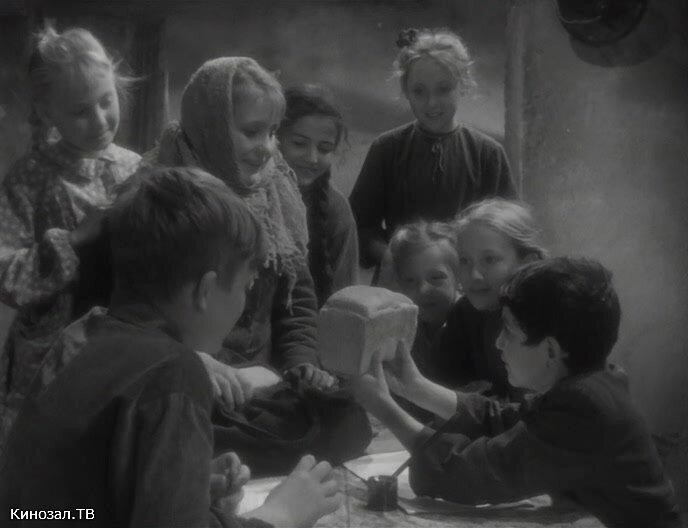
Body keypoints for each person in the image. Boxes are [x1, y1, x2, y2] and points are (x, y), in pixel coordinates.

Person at [0, 166, 341, 528]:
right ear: (205, 291)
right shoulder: (174, 373)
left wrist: (184, 485)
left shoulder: (82, 336)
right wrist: (280, 515)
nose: (244, 304)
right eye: (246, 286)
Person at [352, 257, 681, 528]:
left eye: (508, 331)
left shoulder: (585, 410)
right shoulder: (590, 385)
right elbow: (505, 422)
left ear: (550, 350)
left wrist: (384, 408)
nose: (499, 343)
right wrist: (414, 385)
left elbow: (471, 473)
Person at [156, 57, 335, 390]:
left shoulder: (276, 194)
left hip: (259, 377)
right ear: (211, 126)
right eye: (252, 132)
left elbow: (296, 301)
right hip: (186, 376)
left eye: (272, 132)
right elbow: (142, 315)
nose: (266, 148)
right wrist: (194, 364)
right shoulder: (163, 201)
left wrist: (301, 363)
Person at [0, 25, 140, 448]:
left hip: (122, 343)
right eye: (80, 111)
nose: (99, 120)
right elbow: (6, 275)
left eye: (106, 101)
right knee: (48, 457)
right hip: (51, 353)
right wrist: (73, 239)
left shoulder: (137, 168)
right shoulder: (30, 177)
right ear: (47, 113)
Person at [349, 27, 516, 276]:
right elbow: (359, 226)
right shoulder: (387, 148)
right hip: (401, 279)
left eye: (443, 89)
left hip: (467, 281)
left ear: (463, 85)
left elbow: (508, 231)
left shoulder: (488, 153)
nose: (432, 103)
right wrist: (395, 260)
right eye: (419, 91)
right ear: (406, 90)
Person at [428, 198, 546, 400]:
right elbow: (443, 385)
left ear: (528, 264)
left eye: (489, 259)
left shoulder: (544, 323)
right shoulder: (464, 314)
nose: (474, 275)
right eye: (464, 261)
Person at [279, 84, 358, 307]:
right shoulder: (252, 196)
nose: (312, 158)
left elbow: (345, 299)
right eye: (299, 143)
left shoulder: (336, 209)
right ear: (275, 137)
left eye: (324, 148)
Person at [386, 221, 460, 376]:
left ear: (459, 278)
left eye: (436, 277)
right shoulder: (403, 330)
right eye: (410, 280)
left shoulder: (472, 329)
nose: (422, 289)